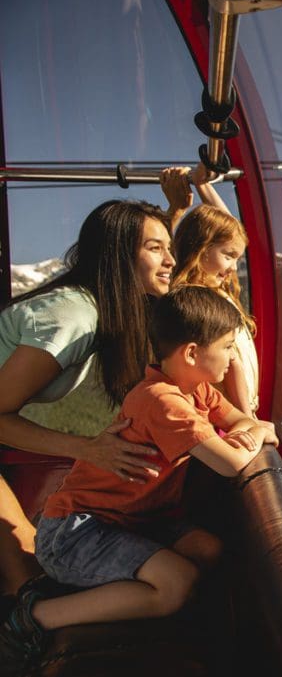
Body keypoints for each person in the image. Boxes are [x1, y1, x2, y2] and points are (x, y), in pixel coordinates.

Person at [0, 286, 276, 671]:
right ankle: (36, 615)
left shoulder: (196, 390)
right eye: (229, 346)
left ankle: (104, 588)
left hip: (134, 520)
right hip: (76, 531)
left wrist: (251, 428)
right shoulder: (163, 401)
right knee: (176, 585)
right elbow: (230, 462)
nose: (235, 358)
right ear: (193, 353)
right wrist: (261, 433)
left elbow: (239, 421)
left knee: (207, 549)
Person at [0, 197, 178, 601]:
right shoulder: (73, 317)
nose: (171, 260)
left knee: (27, 566)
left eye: (170, 247)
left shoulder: (98, 311)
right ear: (118, 254)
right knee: (24, 576)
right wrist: (89, 450)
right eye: (155, 248)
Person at [171, 199, 259, 417]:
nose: (233, 268)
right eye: (228, 256)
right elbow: (232, 362)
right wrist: (246, 417)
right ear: (200, 248)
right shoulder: (200, 302)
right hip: (224, 414)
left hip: (234, 411)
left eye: (237, 258)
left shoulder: (218, 293)